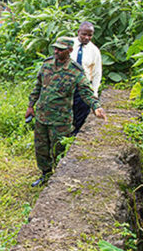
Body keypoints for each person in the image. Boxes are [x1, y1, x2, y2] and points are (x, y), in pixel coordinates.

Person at [25, 37, 107, 188]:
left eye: (60, 49)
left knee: (59, 149)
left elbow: (86, 92)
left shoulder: (75, 71)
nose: (56, 52)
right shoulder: (47, 64)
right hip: (42, 116)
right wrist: (31, 106)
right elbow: (38, 86)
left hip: (60, 120)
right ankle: (45, 174)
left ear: (70, 51)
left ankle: (58, 179)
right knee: (41, 149)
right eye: (55, 48)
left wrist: (96, 106)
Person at [71, 22, 102, 135]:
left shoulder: (94, 51)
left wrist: (94, 92)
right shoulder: (69, 45)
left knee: (81, 114)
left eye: (90, 35)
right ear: (78, 32)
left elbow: (97, 73)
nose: (86, 37)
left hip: (83, 87)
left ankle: (76, 136)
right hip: (67, 85)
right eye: (84, 34)